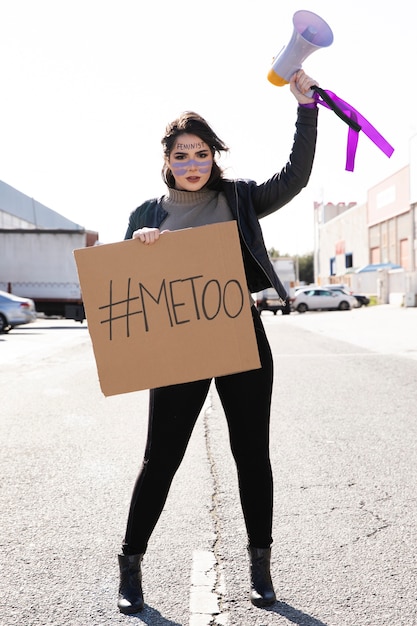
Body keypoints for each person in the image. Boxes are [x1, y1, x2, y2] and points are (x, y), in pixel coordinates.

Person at [117, 69, 318, 614]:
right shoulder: (147, 214)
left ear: (213, 156)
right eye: (181, 155)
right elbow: (125, 290)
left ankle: (260, 565)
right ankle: (130, 566)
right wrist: (139, 246)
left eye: (200, 153)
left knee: (252, 454)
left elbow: (294, 178)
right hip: (178, 348)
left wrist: (305, 109)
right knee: (161, 458)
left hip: (241, 335)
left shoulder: (240, 199)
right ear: (167, 161)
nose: (192, 164)